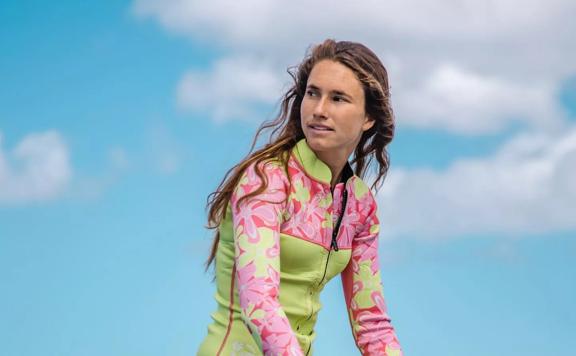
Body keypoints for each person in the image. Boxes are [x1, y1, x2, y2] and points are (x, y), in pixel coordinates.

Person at [197, 39, 403, 356]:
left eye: (338, 98)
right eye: (312, 93)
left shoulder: (359, 206)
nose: (319, 110)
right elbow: (259, 303)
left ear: (368, 118)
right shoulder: (267, 179)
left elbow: (371, 323)